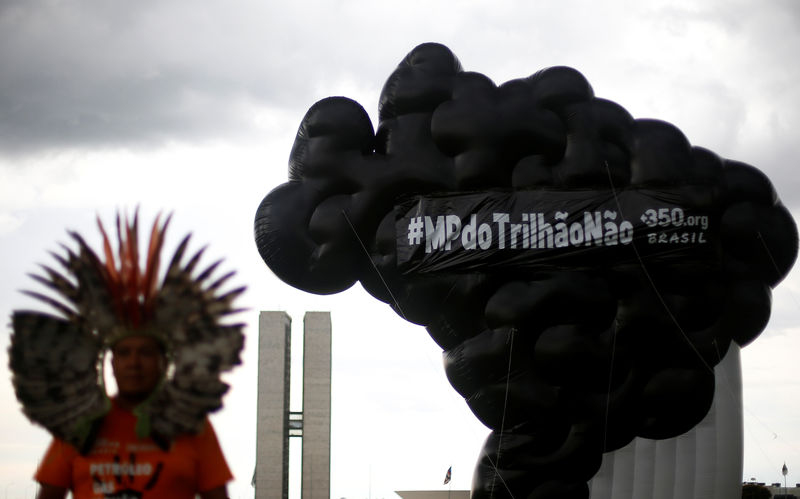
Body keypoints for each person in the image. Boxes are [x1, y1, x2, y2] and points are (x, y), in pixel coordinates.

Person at [34, 334, 233, 499]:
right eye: (124, 353)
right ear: (111, 364)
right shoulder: (81, 423)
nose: (134, 363)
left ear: (163, 363)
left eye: (145, 353)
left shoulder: (191, 425)